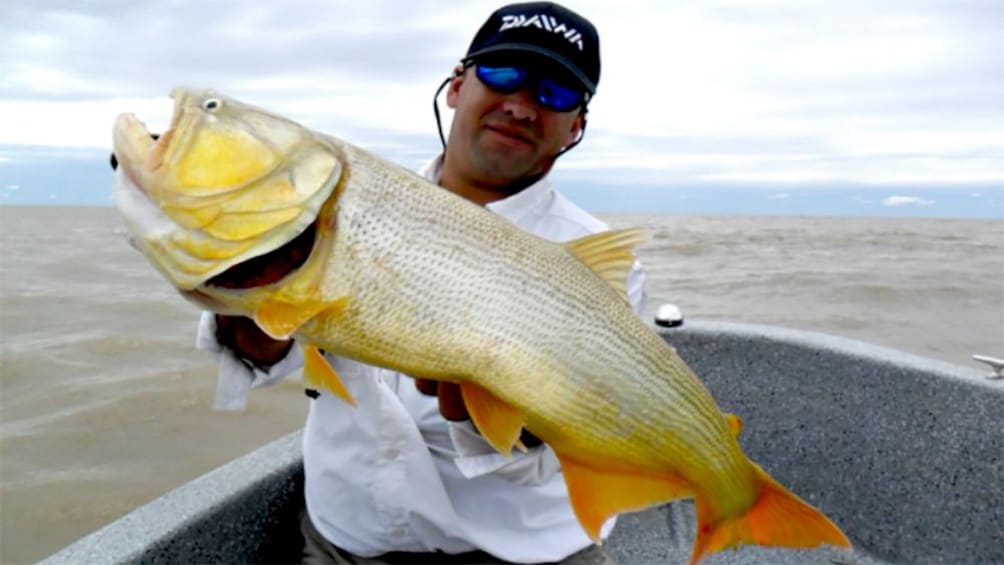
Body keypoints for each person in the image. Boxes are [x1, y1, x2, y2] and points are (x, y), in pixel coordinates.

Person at [199, 2, 647, 563]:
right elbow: (262, 356)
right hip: (346, 537)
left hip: (523, 550)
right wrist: (247, 292)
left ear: (575, 127)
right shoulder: (347, 201)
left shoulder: (597, 265)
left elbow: (591, 440)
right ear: (457, 85)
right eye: (504, 74)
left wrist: (508, 424)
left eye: (555, 95)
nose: (521, 106)